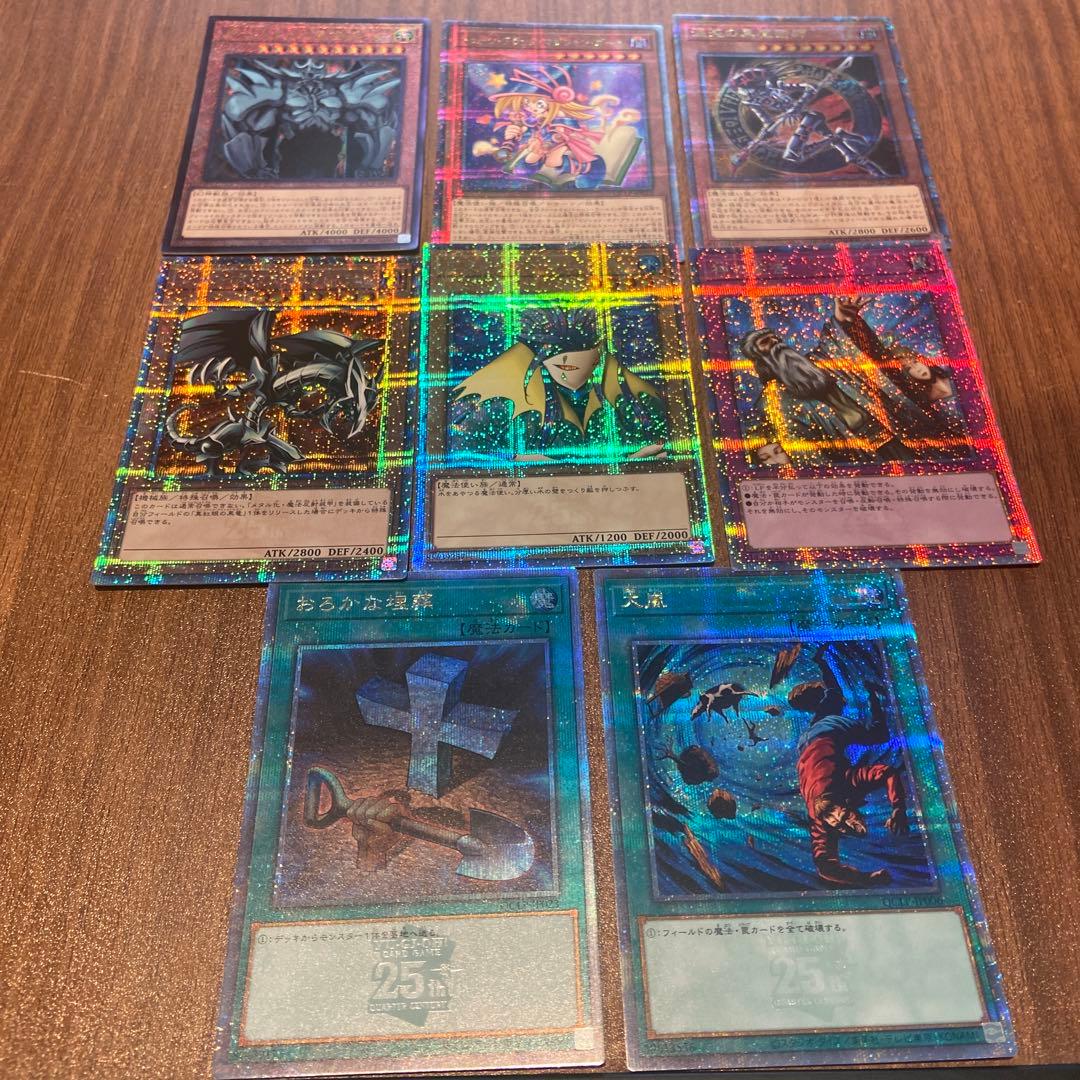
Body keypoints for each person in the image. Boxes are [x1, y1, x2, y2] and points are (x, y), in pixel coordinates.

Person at [739, 295, 952, 466]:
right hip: (860, 455)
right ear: (759, 361)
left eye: (775, 339)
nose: (776, 344)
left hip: (896, 431)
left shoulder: (819, 360)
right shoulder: (774, 400)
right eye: (766, 344)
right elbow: (802, 449)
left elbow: (836, 343)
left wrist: (843, 321)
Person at [449, 307, 668, 462]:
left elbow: (670, 444)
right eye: (561, 362)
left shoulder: (632, 401)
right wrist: (514, 459)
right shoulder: (507, 405)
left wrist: (641, 463)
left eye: (584, 359)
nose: (571, 367)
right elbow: (461, 448)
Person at [790, 646, 909, 887]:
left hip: (828, 732)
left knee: (879, 735)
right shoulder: (818, 819)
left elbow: (887, 772)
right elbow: (824, 867)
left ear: (844, 805)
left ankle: (873, 694)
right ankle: (821, 661)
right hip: (805, 743)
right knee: (834, 696)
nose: (851, 825)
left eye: (844, 818)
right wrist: (866, 878)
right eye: (844, 825)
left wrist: (898, 808)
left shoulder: (845, 782)